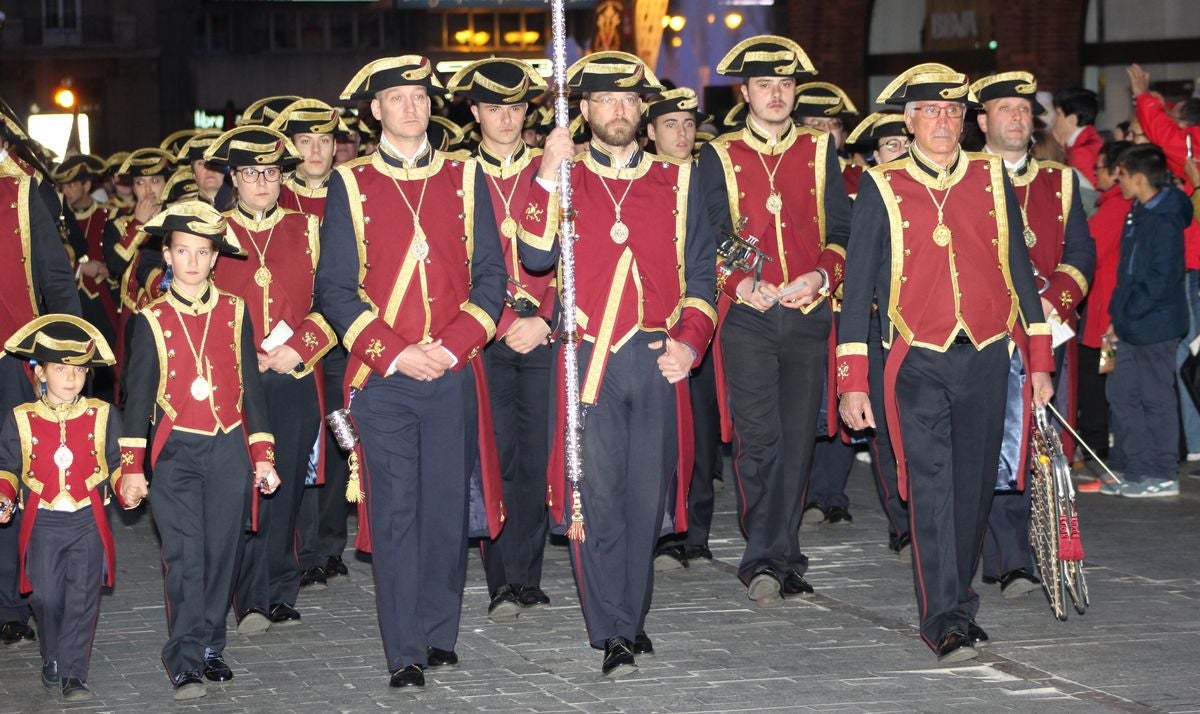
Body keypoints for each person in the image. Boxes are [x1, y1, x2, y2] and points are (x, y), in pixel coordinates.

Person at [837, 63, 1055, 663]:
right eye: (931, 111)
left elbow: (1020, 278)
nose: (943, 120)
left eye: (953, 112)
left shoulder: (990, 176)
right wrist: (853, 380)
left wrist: (1038, 358)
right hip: (916, 361)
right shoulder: (882, 186)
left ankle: (958, 598)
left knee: (973, 488)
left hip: (986, 356)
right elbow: (857, 293)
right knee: (931, 489)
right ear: (908, 122)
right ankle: (943, 619)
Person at [519, 51, 716, 678]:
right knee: (595, 499)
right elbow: (534, 255)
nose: (620, 110)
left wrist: (690, 342)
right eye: (606, 100)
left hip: (656, 360)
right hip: (586, 363)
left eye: (630, 101)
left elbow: (705, 277)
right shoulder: (565, 177)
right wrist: (547, 174)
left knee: (643, 499)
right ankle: (611, 626)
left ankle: (629, 612)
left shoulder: (677, 181)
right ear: (583, 110)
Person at [316, 55, 507, 689]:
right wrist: (398, 352)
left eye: (419, 96)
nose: (411, 107)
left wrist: (450, 348)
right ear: (374, 110)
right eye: (397, 98)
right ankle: (403, 647)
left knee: (446, 509)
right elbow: (337, 291)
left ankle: (438, 631)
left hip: (451, 369)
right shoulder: (350, 184)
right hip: (384, 376)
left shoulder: (467, 175)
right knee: (396, 511)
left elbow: (491, 279)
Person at [699, 35, 852, 605]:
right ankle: (764, 555)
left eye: (786, 85)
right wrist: (743, 283)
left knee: (796, 442)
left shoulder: (819, 150)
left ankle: (783, 552)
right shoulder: (719, 154)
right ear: (745, 92)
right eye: (765, 85)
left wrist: (820, 277)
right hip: (748, 316)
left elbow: (841, 232)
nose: (777, 94)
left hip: (808, 313)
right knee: (759, 439)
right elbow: (711, 235)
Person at [118, 200, 281, 700]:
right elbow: (137, 397)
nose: (192, 260)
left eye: (202, 252)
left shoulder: (235, 311)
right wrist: (132, 468)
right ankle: (184, 656)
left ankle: (212, 645)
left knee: (220, 554)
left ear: (215, 259)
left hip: (229, 445)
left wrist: (262, 456)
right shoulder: (149, 320)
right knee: (185, 555)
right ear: (166, 255)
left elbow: (252, 388)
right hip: (175, 453)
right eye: (182, 250)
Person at [204, 126, 335, 630]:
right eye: (251, 172)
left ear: (283, 177)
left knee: (288, 489)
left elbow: (333, 302)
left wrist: (297, 349)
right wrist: (241, 359)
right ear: (234, 178)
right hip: (235, 383)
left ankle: (281, 587)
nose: (262, 181)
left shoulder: (308, 229)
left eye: (271, 173)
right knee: (244, 487)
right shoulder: (211, 230)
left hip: (295, 374)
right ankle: (248, 592)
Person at [970, 71, 1095, 598]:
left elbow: (1080, 254)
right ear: (982, 121)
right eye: (1006, 110)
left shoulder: (1059, 180)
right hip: (984, 332)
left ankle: (1025, 549)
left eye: (1024, 111)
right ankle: (1009, 558)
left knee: (1037, 444)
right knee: (995, 442)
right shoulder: (963, 177)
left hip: (1045, 330)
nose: (1018, 119)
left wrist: (1054, 298)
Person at [444, 58, 558, 622]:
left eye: (515, 108)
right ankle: (499, 582)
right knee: (493, 457)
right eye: (494, 108)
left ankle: (528, 576)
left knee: (535, 460)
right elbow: (449, 264)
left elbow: (580, 257)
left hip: (544, 335)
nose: (506, 118)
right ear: (475, 112)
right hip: (484, 337)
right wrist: (502, 322)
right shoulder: (457, 175)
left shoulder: (553, 167)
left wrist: (547, 318)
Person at [0, 315, 121, 702]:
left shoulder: (103, 415)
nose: (71, 378)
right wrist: (3, 495)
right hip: (43, 521)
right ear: (41, 373)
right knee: (47, 597)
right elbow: (7, 466)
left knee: (83, 597)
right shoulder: (21, 418)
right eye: (60, 369)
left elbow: (118, 463)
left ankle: (73, 673)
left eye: (79, 370)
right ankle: (51, 654)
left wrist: (127, 485)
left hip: (88, 519)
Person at [0, 111, 82, 648]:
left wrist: (71, 355)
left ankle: (10, 603)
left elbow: (55, 277)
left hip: (11, 358)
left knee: (12, 476)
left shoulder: (24, 191)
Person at [639, 88, 723, 572]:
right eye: (670, 124)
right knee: (656, 434)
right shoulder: (639, 176)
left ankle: (695, 531)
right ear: (650, 132)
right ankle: (660, 529)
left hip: (699, 316)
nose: (683, 133)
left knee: (701, 428)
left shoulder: (706, 172)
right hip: (649, 320)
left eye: (689, 124)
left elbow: (722, 235)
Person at [840, 112, 912, 555]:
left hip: (924, 332)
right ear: (874, 157)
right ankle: (901, 520)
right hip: (877, 326)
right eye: (889, 147)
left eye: (905, 143)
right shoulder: (869, 195)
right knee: (886, 431)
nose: (900, 152)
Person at [1105, 144, 1193, 497]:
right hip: (1131, 322)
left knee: (1154, 397)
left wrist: (1127, 311)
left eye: (1122, 175)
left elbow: (1161, 277)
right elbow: (1126, 272)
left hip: (1155, 325)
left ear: (1139, 177)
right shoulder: (1137, 212)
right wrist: (1116, 315)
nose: (1117, 180)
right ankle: (1138, 470)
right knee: (1124, 395)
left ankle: (1163, 472)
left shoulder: (1165, 219)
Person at [1127, 63, 1200, 464]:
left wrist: (1143, 94)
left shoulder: (1192, 146)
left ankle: (1195, 446)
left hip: (1195, 268)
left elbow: (1162, 132)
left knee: (1184, 354)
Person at [1076, 140, 1134, 486]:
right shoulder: (1115, 204)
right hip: (1106, 311)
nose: (1094, 174)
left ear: (1117, 171)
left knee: (1099, 387)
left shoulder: (1116, 207)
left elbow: (1090, 254)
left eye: (1100, 168)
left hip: (1104, 316)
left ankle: (1101, 456)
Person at [270, 98, 344, 220]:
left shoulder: (353, 193)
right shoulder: (274, 197)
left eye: (324, 140)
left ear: (334, 147)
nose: (316, 150)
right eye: (306, 141)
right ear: (292, 148)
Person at [1051, 87, 1103, 190]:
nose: (1053, 120)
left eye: (1057, 114)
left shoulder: (1082, 153)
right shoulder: (1087, 143)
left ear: (1072, 119)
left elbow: (1087, 199)